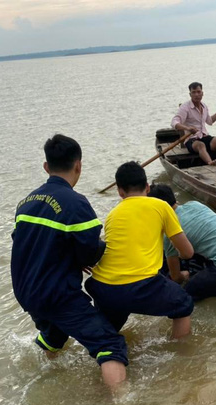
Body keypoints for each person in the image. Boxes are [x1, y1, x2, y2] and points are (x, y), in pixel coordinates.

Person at [11, 134, 129, 388]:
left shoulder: (26, 203)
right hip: (56, 293)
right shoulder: (76, 203)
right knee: (110, 344)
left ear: (46, 167)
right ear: (79, 165)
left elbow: (26, 244)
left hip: (26, 291)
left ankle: (43, 373)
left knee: (55, 331)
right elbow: (88, 252)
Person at [84, 162, 195, 339]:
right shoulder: (161, 206)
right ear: (147, 187)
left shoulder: (113, 214)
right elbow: (188, 252)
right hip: (140, 286)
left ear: (120, 192)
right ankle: (180, 357)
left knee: (109, 332)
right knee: (183, 303)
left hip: (102, 285)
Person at [171, 82, 216, 166]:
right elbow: (174, 122)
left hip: (204, 137)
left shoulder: (204, 106)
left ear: (202, 93)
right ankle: (210, 163)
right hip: (192, 141)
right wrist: (188, 128)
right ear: (190, 94)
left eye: (198, 92)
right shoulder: (185, 107)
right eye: (194, 92)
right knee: (201, 145)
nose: (196, 94)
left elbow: (210, 121)